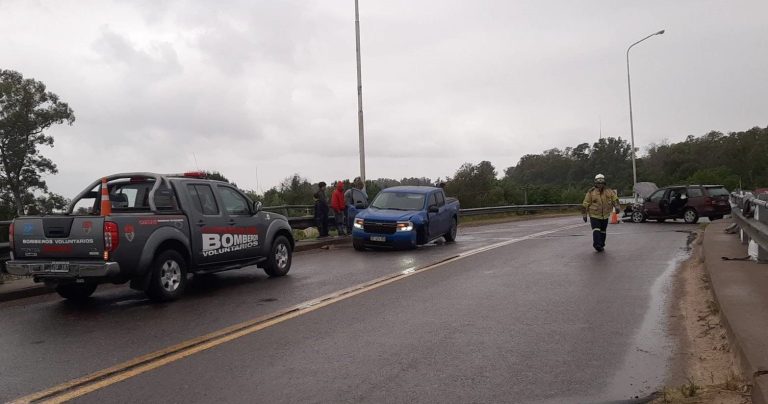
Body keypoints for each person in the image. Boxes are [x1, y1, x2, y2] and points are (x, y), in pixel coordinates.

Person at [582, 174, 621, 252]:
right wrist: (584, 214)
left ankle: (601, 245)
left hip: (605, 215)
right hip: (594, 215)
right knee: (596, 230)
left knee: (603, 231)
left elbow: (615, 200)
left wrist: (617, 207)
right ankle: (597, 245)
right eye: (598, 183)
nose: (600, 184)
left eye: (601, 182)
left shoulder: (609, 191)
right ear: (595, 183)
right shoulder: (591, 192)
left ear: (604, 183)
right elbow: (585, 203)